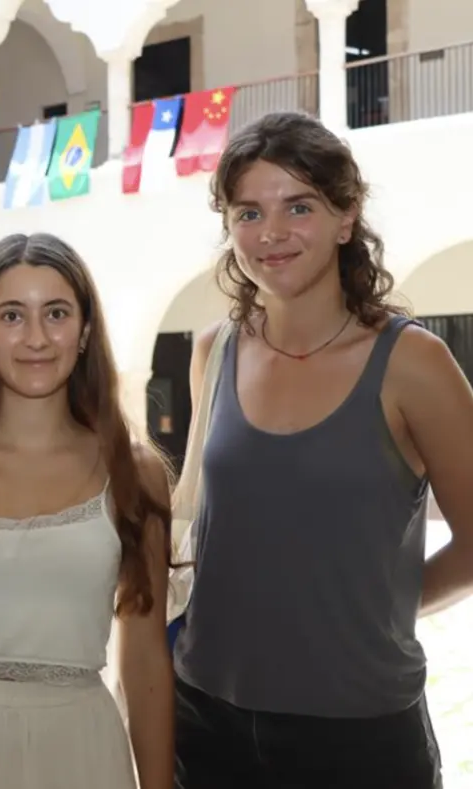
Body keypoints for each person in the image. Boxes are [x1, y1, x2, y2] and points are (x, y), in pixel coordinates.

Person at [173, 111, 472, 788]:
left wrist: (380, 607)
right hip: (207, 719)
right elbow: (196, 514)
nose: (271, 234)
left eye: (298, 206)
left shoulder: (413, 363)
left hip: (360, 730)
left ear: (347, 216)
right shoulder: (212, 351)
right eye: (248, 212)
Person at [0, 232, 174, 789]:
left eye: (57, 313)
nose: (37, 338)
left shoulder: (134, 472)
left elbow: (144, 661)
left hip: (79, 749)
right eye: (13, 316)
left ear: (85, 330)